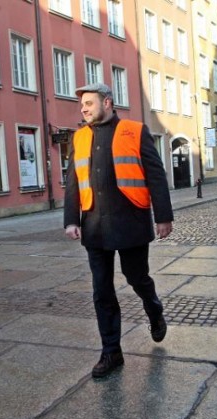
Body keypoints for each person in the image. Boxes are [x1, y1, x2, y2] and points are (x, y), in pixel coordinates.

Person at [64, 83, 174, 378]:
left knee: (137, 278)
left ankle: (154, 309)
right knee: (102, 290)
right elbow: (73, 180)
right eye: (82, 105)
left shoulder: (135, 131)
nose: (84, 108)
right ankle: (111, 352)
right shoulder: (80, 137)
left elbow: (155, 175)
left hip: (131, 221)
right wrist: (71, 219)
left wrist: (163, 216)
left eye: (89, 103)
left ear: (108, 102)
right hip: (94, 225)